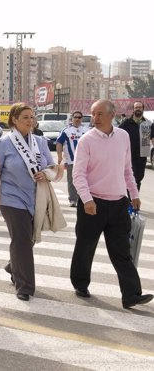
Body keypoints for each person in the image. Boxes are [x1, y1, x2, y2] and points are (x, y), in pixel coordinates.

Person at [70, 99, 153, 309]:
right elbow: (78, 175)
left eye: (99, 114)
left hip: (118, 204)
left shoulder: (123, 137)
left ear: (111, 115)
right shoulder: (86, 141)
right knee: (85, 247)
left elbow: (127, 169)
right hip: (93, 204)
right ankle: (81, 283)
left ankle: (131, 295)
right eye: (93, 114)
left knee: (122, 251)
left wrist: (134, 193)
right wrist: (87, 199)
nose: (94, 118)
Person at [0, 103, 56, 302]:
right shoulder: (4, 143)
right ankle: (25, 286)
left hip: (36, 197)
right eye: (25, 117)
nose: (30, 121)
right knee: (21, 239)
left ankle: (13, 265)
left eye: (32, 117)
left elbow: (52, 166)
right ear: (14, 120)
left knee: (29, 238)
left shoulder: (40, 142)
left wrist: (46, 172)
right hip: (11, 198)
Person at [118, 101, 153, 190]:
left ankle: (135, 196)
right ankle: (131, 199)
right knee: (132, 177)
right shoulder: (126, 123)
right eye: (136, 107)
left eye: (139, 107)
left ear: (143, 109)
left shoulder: (149, 123)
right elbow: (117, 135)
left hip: (142, 155)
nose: (138, 109)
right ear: (133, 109)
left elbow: (152, 137)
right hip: (129, 155)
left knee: (139, 177)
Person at [56, 111, 88, 207]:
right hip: (71, 160)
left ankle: (83, 199)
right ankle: (73, 199)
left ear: (82, 119)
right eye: (75, 117)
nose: (77, 119)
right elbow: (59, 143)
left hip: (86, 161)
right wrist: (59, 156)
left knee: (85, 180)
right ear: (72, 119)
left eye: (79, 117)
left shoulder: (87, 130)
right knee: (72, 180)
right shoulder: (66, 131)